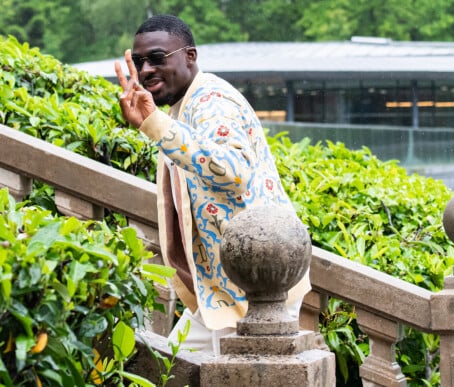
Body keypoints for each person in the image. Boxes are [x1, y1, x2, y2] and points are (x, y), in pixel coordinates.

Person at [114, 14, 310, 354]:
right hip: (225, 290)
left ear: (190, 56)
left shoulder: (211, 100)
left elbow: (234, 172)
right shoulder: (182, 107)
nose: (146, 70)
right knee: (168, 368)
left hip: (254, 289)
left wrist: (154, 125)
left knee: (172, 369)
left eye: (158, 58)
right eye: (141, 61)